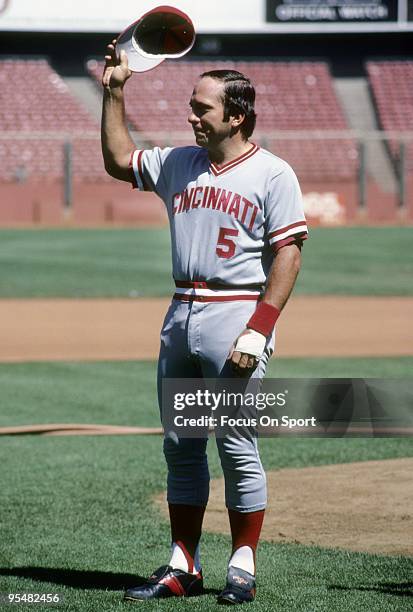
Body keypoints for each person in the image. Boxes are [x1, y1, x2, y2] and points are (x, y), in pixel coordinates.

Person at [101, 41, 308, 605]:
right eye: (192, 107)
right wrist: (115, 90)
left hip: (236, 313)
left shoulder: (273, 173)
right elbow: (119, 161)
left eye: (202, 108)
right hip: (181, 313)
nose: (190, 116)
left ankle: (242, 562)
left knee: (236, 444)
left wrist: (259, 328)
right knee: (181, 445)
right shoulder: (178, 162)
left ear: (236, 116)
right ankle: (183, 564)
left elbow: (288, 254)